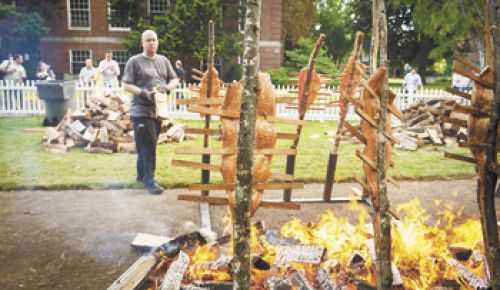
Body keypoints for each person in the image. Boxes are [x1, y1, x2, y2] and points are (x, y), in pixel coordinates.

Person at [122, 30, 179, 195]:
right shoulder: (135, 61)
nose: (151, 43)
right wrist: (143, 93)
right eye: (148, 40)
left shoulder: (163, 60)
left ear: (158, 42)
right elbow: (126, 85)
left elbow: (174, 79)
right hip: (141, 110)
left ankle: (141, 176)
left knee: (147, 145)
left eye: (154, 40)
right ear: (142, 43)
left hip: (158, 110)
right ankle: (149, 181)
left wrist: (168, 87)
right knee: (148, 146)